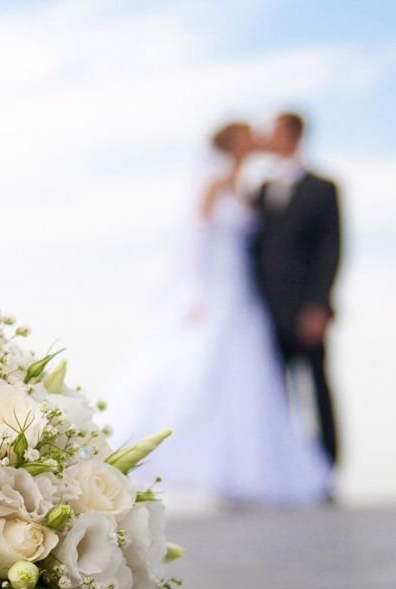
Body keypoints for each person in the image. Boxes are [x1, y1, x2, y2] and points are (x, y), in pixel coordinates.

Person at [107, 121, 330, 505]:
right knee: (199, 374)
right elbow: (194, 241)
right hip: (216, 292)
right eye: (248, 136)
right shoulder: (211, 182)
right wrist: (196, 295)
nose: (257, 140)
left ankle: (243, 473)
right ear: (231, 144)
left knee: (248, 383)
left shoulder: (248, 188)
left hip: (245, 295)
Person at [252, 112, 342, 467]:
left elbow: (331, 249)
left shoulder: (323, 188)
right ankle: (282, 470)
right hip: (264, 312)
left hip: (306, 310)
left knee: (316, 388)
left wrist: (319, 304)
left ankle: (326, 468)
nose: (266, 138)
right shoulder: (259, 192)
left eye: (272, 131)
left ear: (292, 135)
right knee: (272, 395)